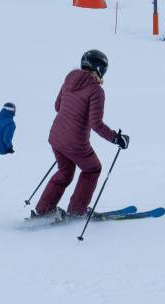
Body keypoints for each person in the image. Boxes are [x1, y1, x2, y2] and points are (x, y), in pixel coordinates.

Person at [32, 50, 128, 220]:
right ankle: (77, 211)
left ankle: (43, 210)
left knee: (65, 172)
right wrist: (116, 138)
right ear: (100, 69)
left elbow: (57, 106)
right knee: (92, 169)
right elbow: (96, 124)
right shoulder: (96, 90)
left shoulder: (70, 77)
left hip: (56, 137)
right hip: (75, 142)